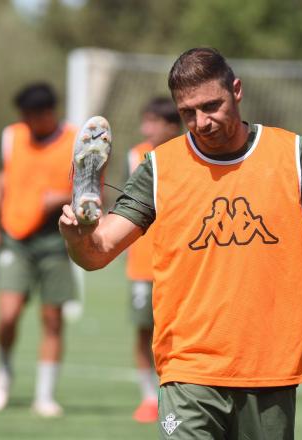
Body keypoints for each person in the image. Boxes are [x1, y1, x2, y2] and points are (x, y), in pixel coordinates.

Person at [60, 47, 302, 438]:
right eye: (187, 113)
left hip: (271, 366)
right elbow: (98, 252)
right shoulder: (159, 168)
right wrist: (77, 238)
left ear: (237, 90)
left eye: (211, 106)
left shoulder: (291, 155)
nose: (201, 122)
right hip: (187, 367)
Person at [0, 82, 77, 418]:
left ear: (48, 113)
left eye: (29, 116)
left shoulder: (76, 141)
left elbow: (93, 195)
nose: (24, 121)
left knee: (52, 319)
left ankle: (45, 395)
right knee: (8, 314)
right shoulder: (12, 137)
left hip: (56, 242)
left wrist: (61, 198)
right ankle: (4, 372)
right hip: (14, 240)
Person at [125, 97, 181, 423]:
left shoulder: (194, 154)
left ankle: (178, 390)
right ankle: (148, 396)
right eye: (145, 121)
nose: (147, 129)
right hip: (143, 263)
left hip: (182, 262)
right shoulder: (135, 155)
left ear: (172, 126)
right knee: (143, 329)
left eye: (153, 122)